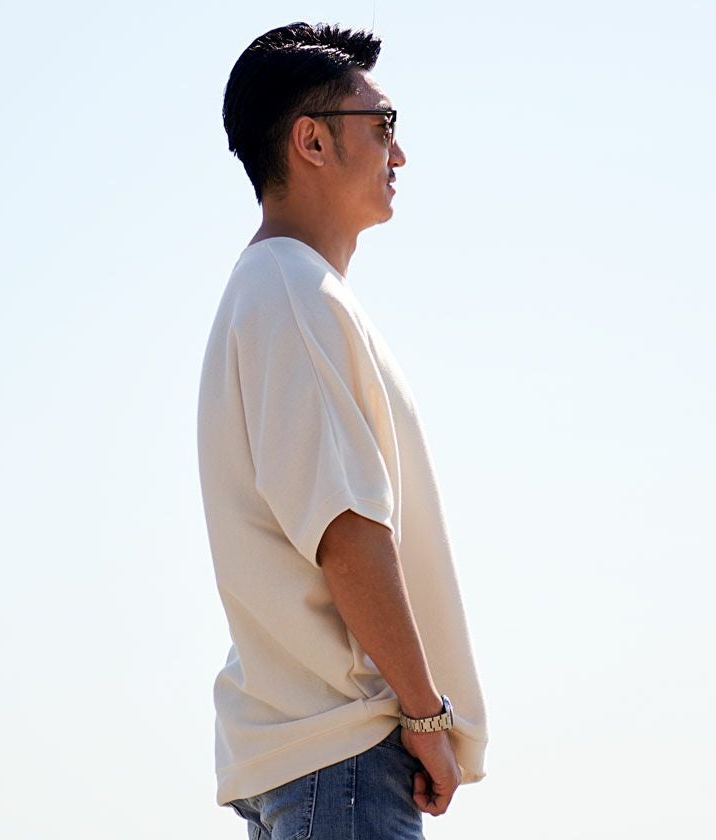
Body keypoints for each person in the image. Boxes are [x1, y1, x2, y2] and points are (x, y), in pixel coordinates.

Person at [197, 22, 488, 840]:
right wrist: (425, 717)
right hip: (345, 760)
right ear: (313, 141)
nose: (400, 154)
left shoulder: (279, 290)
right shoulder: (294, 292)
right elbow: (349, 533)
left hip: (316, 762)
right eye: (384, 125)